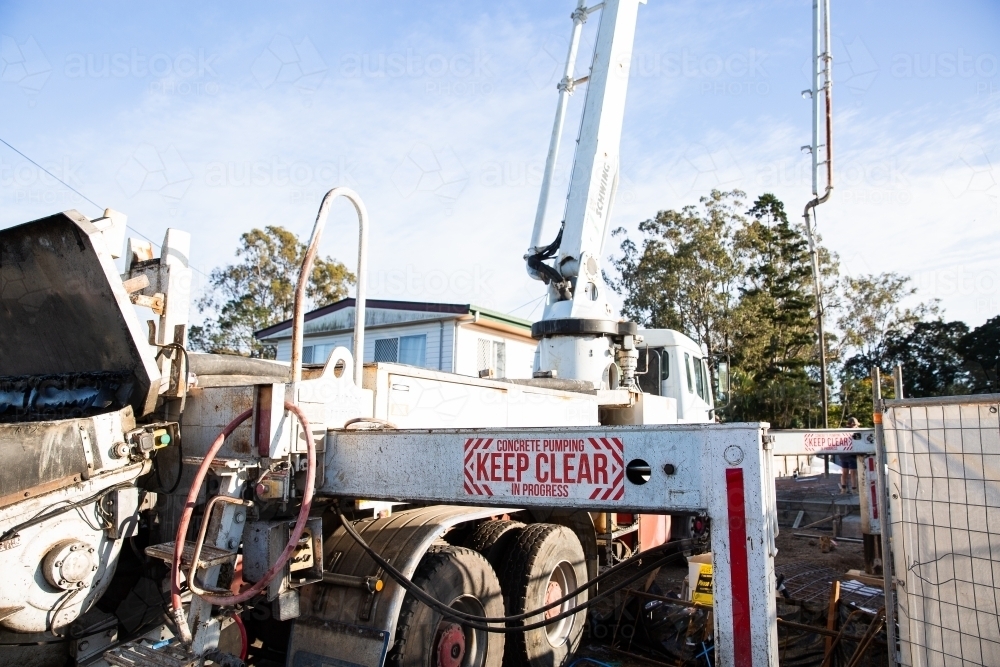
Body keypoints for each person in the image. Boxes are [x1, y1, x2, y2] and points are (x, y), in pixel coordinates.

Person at [839, 417, 861, 494]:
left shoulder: (842, 431)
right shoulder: (855, 432)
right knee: (852, 473)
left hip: (844, 454)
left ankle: (844, 489)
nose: (855, 426)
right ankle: (853, 489)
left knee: (846, 472)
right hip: (851, 455)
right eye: (854, 425)